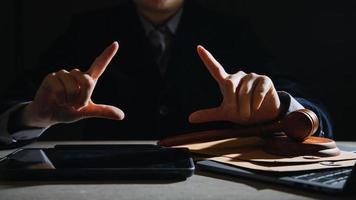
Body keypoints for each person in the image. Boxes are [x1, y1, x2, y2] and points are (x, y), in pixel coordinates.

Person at [0, 0, 332, 148]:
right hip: (106, 183)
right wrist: (33, 115)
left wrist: (278, 108)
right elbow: (11, 108)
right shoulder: (87, 29)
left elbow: (318, 116)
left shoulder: (232, 31)